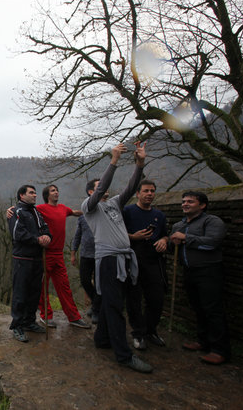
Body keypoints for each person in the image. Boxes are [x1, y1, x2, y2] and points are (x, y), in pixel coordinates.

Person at [82, 142, 153, 373]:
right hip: (109, 261)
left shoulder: (114, 204)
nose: (105, 191)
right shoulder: (89, 207)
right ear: (92, 192)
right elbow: (102, 187)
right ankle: (123, 355)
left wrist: (139, 164)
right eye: (99, 188)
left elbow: (132, 188)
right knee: (114, 307)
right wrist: (113, 161)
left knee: (115, 303)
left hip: (125, 259)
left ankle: (102, 339)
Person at [12, 184, 90, 329]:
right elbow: (23, 209)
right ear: (47, 195)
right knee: (42, 287)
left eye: (57, 190)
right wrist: (10, 210)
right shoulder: (40, 209)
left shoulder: (63, 208)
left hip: (59, 254)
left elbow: (73, 212)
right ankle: (46, 316)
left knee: (64, 286)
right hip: (44, 254)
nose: (56, 192)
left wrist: (88, 211)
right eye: (53, 190)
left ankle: (73, 317)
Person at [170, 191, 230, 365]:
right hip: (188, 271)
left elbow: (212, 243)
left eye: (190, 201)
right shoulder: (178, 225)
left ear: (202, 205)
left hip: (208, 271)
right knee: (198, 307)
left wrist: (186, 238)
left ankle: (220, 349)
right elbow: (173, 246)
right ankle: (203, 341)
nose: (185, 204)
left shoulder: (211, 221)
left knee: (213, 309)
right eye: (183, 201)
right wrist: (167, 241)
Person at [123, 179, 169, 350]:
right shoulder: (127, 211)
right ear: (138, 193)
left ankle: (151, 330)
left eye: (152, 191)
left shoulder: (159, 215)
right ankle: (138, 333)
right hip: (133, 260)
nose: (150, 194)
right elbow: (118, 234)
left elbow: (164, 234)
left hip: (154, 261)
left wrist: (164, 241)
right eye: (146, 191)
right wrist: (134, 237)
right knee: (134, 299)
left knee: (156, 298)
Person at [7, 185, 52, 342]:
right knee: (20, 293)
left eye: (35, 193)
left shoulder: (36, 213)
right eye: (31, 193)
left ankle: (29, 321)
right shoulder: (16, 212)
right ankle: (17, 326)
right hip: (22, 259)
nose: (35, 195)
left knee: (34, 293)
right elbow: (17, 233)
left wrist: (47, 237)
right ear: (21, 195)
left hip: (37, 259)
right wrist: (37, 240)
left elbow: (45, 229)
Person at [71, 215, 100, 324]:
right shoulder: (82, 218)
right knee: (84, 280)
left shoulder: (102, 216)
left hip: (100, 255)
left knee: (98, 284)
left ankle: (96, 310)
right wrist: (73, 253)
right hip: (85, 255)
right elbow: (77, 236)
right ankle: (96, 303)